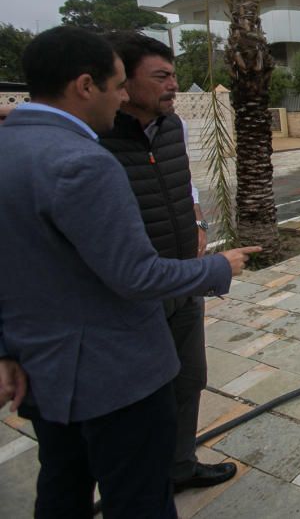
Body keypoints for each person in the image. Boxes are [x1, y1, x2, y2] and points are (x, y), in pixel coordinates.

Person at [0, 26, 260, 519]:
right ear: (84, 86)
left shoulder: (15, 142)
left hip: (51, 364)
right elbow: (133, 276)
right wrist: (216, 268)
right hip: (116, 363)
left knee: (63, 481)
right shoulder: (86, 155)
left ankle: (181, 462)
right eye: (121, 83)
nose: (121, 97)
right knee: (137, 496)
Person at [100, 32, 235, 492]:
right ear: (122, 80)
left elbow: (185, 185)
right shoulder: (95, 138)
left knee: (189, 380)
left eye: (174, 75)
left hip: (185, 279)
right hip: (138, 292)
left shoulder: (171, 125)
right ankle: (142, 485)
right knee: (144, 398)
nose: (173, 86)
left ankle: (180, 466)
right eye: (161, 77)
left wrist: (198, 226)